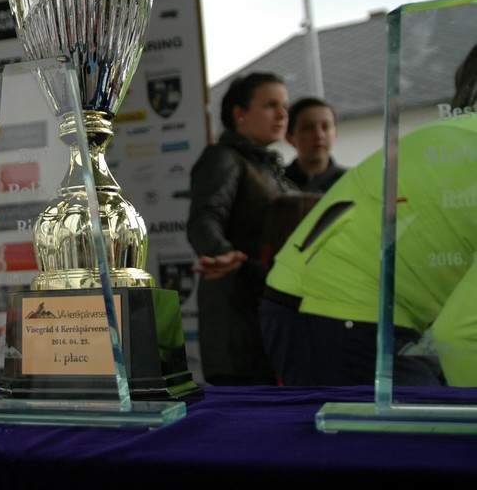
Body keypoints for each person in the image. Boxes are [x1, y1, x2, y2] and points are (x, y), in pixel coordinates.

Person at [260, 50, 477, 388]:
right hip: (333, 306)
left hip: (326, 300)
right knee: (431, 417)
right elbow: (462, 335)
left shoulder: (460, 134)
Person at [187, 72, 296, 385]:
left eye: (285, 106)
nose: (282, 114)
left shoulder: (269, 167)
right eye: (271, 105)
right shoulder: (222, 158)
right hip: (239, 321)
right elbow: (204, 218)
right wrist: (222, 254)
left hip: (269, 313)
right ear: (240, 114)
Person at [283, 98, 345, 194]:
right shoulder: (276, 183)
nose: (319, 135)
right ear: (289, 137)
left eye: (325, 126)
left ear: (335, 133)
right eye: (308, 128)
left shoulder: (351, 182)